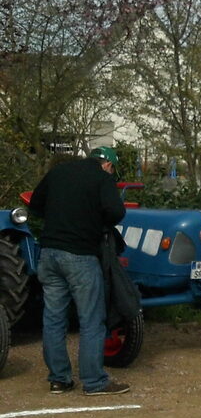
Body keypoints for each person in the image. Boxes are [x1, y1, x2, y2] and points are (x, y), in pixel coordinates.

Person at [28, 146, 129, 395]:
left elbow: (35, 204)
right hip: (80, 256)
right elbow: (117, 212)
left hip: (49, 253)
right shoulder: (101, 178)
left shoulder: (58, 172)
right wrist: (95, 220)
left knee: (53, 319)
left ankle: (59, 379)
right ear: (108, 165)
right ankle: (94, 381)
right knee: (91, 319)